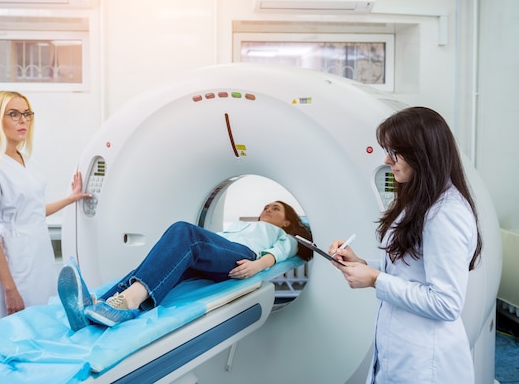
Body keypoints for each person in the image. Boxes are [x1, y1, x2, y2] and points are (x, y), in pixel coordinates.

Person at [328, 106, 482, 384]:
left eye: (394, 151)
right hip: (403, 349)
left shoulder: (446, 213)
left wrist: (375, 280)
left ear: (421, 153)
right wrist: (362, 264)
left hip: (426, 363)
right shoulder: (419, 202)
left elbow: (446, 303)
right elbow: (410, 270)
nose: (387, 159)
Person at [58, 200, 312, 331]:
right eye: (266, 206)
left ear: (287, 222)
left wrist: (259, 265)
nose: (268, 209)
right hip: (222, 250)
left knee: (185, 233)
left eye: (275, 208)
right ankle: (96, 306)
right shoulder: (241, 224)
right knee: (157, 264)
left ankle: (128, 303)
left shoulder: (281, 234)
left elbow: (285, 251)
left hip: (243, 256)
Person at [0, 91, 91, 324]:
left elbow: (32, 211)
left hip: (37, 254)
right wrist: (9, 289)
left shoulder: (24, 158)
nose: (23, 120)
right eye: (13, 114)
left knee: (38, 323)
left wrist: (70, 198)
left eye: (26, 114)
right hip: (12, 261)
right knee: (9, 331)